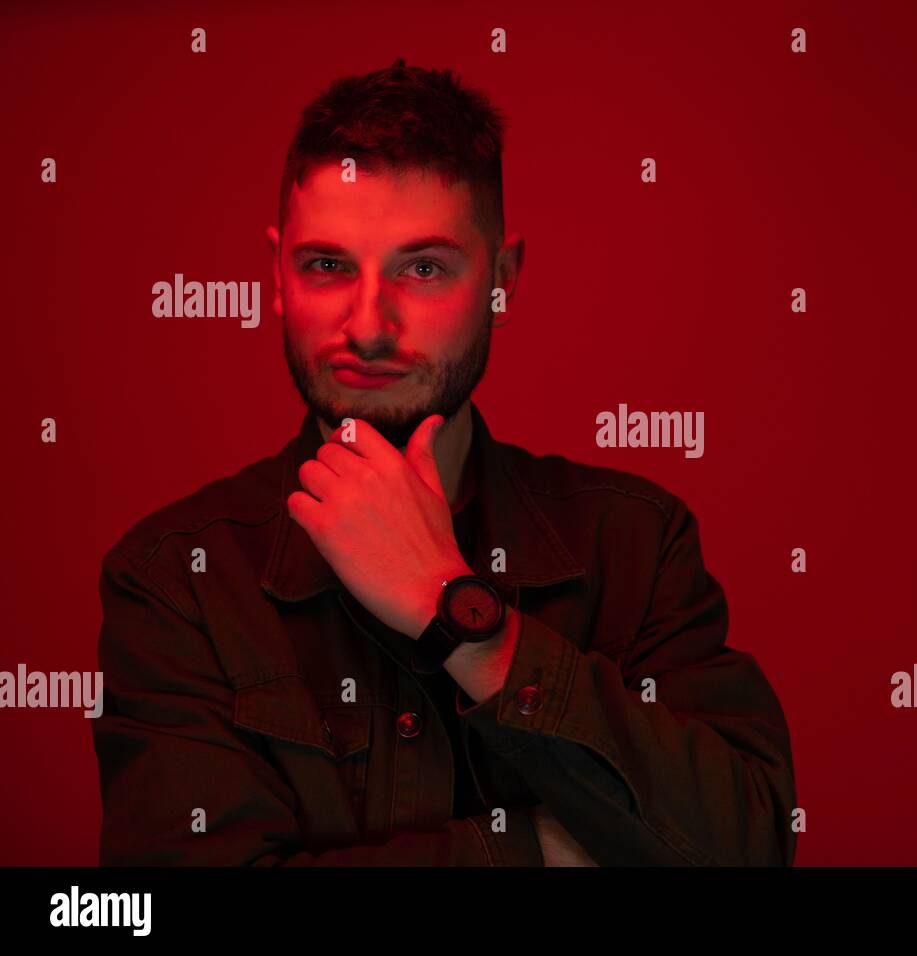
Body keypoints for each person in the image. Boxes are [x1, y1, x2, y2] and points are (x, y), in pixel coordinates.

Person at [92, 59, 797, 866]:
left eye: (422, 268)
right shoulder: (174, 577)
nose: (369, 326)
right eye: (327, 266)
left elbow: (749, 845)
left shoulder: (636, 541)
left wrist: (462, 618)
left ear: (501, 280)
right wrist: (528, 854)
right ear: (278, 276)